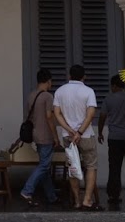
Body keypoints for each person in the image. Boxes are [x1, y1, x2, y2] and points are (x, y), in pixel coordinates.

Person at [53, 63, 99, 211]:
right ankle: (87, 200)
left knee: (72, 166)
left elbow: (57, 114)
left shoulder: (60, 91)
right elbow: (90, 114)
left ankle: (77, 201)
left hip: (68, 136)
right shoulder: (88, 91)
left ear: (69, 75)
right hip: (86, 135)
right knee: (91, 166)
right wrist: (79, 132)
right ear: (84, 76)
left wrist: (70, 130)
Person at [18, 68, 59, 208]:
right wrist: (55, 136)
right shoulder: (48, 96)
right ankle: (27, 190)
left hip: (35, 134)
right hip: (45, 135)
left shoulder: (31, 95)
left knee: (44, 166)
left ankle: (52, 196)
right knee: (44, 165)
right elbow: (49, 117)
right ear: (48, 81)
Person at [97, 74, 125, 210]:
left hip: (115, 137)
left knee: (114, 167)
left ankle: (113, 194)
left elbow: (102, 117)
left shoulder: (109, 99)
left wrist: (100, 132)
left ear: (114, 86)